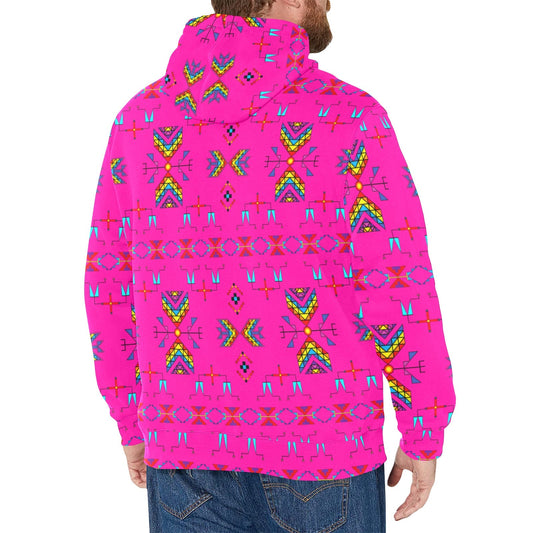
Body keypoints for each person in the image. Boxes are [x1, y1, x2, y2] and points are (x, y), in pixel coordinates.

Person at [83, 0, 456, 531]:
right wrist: (423, 425)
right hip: (324, 447)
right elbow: (395, 280)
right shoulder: (348, 116)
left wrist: (131, 419)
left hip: (185, 447)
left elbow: (109, 284)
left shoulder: (140, 120)